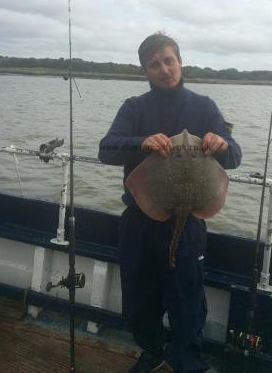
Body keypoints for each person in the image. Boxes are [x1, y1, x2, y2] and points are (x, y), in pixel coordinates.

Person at [98, 33, 242, 373]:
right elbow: (106, 149)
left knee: (187, 299)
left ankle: (187, 359)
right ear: (145, 71)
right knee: (140, 298)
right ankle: (152, 350)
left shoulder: (204, 106)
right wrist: (141, 142)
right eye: (154, 64)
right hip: (141, 220)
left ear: (180, 62)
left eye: (169, 60)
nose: (164, 69)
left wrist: (221, 143)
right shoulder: (134, 108)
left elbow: (234, 156)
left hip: (188, 220)